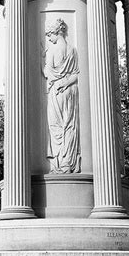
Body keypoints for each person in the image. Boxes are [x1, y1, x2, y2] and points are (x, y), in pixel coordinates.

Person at [42, 18, 81, 173]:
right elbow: (76, 75)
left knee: (56, 126)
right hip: (71, 91)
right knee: (70, 125)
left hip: (57, 92)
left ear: (57, 33)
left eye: (49, 35)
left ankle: (59, 163)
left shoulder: (52, 51)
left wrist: (43, 62)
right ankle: (68, 162)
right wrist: (66, 83)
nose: (48, 38)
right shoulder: (72, 49)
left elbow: (48, 73)